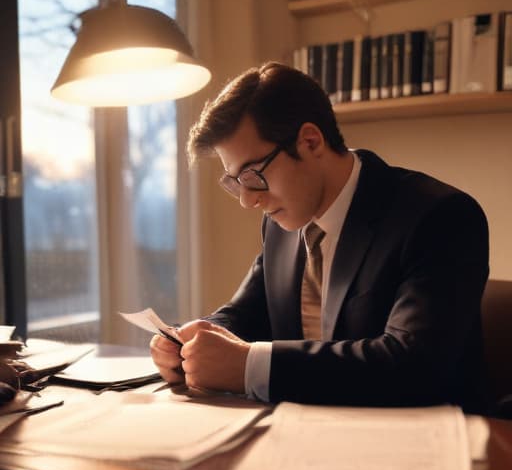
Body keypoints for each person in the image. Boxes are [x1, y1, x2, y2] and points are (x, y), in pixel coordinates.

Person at [150, 62, 490, 413]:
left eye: (252, 176)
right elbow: (246, 313)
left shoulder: (440, 216)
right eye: (234, 181)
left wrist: (248, 366)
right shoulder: (280, 224)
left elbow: (413, 367)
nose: (247, 200)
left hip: (432, 445)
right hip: (302, 434)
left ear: (310, 141)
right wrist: (193, 341)